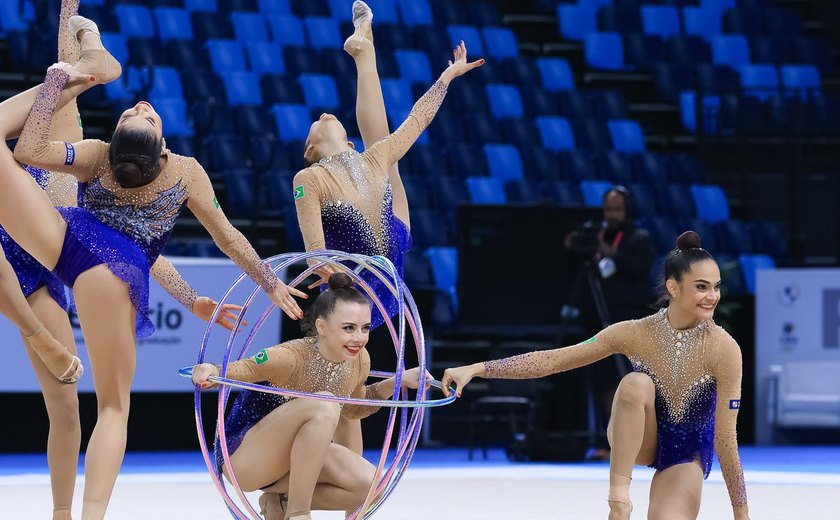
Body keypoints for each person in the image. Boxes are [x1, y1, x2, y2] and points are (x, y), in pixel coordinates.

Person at [1, 17, 303, 519]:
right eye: (144, 113)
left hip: (68, 249)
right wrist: (267, 282)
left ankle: (36, 336)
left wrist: (63, 78)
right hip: (113, 274)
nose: (143, 105)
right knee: (114, 408)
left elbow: (29, 149)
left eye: (142, 114)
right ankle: (91, 514)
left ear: (119, 140)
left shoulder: (95, 155)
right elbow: (224, 237)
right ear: (161, 150)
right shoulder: (183, 171)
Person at [441, 231, 750, 520]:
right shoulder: (635, 332)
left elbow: (725, 439)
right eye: (701, 286)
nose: (712, 296)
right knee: (635, 383)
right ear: (673, 287)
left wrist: (742, 515)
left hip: (685, 453)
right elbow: (554, 360)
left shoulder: (724, 349)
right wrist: (479, 368)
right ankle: (618, 502)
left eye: (716, 286)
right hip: (638, 437)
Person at [293, 1, 484, 331]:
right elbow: (314, 250)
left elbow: (418, 119)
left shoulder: (371, 158)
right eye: (315, 121)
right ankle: (364, 52)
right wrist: (322, 267)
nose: (323, 115)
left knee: (385, 154)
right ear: (310, 149)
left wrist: (448, 76)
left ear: (350, 144)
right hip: (350, 287)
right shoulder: (310, 177)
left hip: (389, 261)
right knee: (386, 160)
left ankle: (365, 52)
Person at [192, 273, 429, 520]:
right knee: (325, 403)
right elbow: (246, 368)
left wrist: (397, 382)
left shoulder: (359, 359)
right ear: (321, 326)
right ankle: (298, 513)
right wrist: (213, 370)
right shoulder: (290, 357)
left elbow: (353, 409)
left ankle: (281, 502)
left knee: (371, 486)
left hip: (296, 460)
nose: (359, 338)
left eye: (365, 328)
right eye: (349, 328)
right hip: (246, 457)